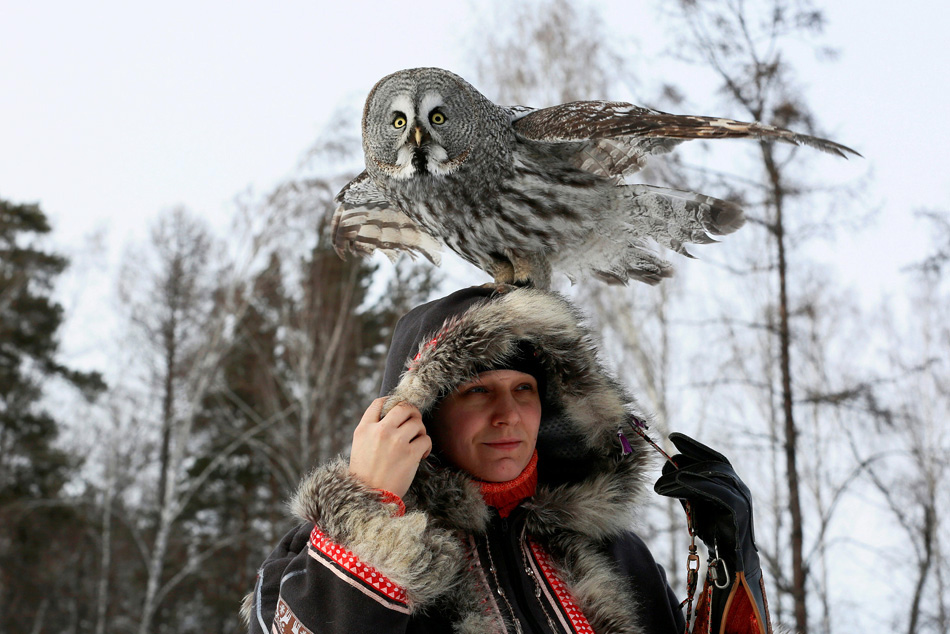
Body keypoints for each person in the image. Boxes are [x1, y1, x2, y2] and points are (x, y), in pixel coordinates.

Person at [244, 285, 773, 634]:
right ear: (422, 413)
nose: (508, 415)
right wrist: (368, 516)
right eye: (477, 391)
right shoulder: (316, 559)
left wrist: (729, 562)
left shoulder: (620, 557)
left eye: (524, 388)